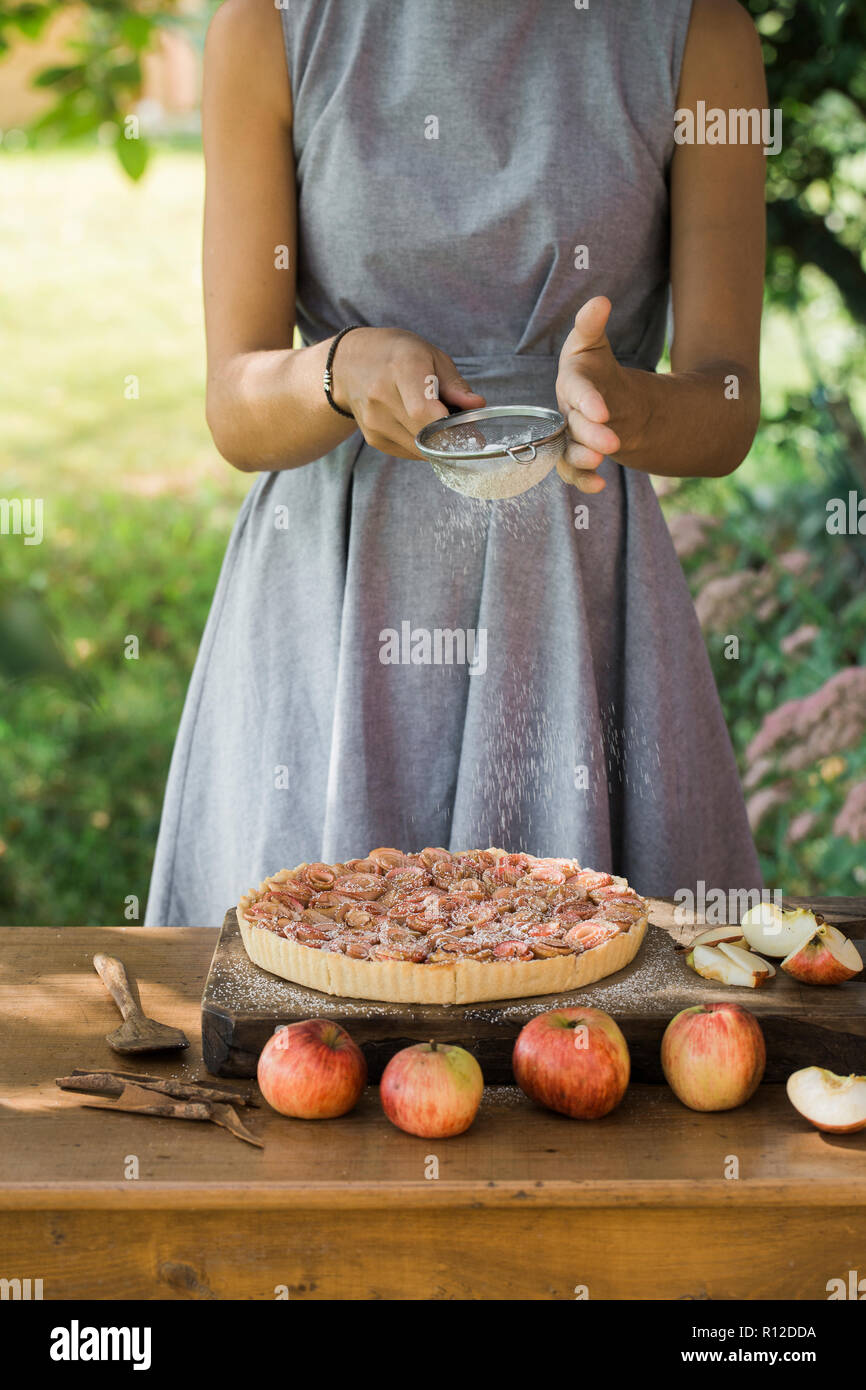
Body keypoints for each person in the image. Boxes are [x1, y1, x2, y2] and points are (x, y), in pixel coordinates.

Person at [146, 0, 766, 928]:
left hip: (574, 589)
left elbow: (726, 403)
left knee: (588, 1028)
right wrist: (337, 371)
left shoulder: (697, 33)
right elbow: (236, 404)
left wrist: (629, 405)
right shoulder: (269, 28)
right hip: (336, 600)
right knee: (305, 1015)